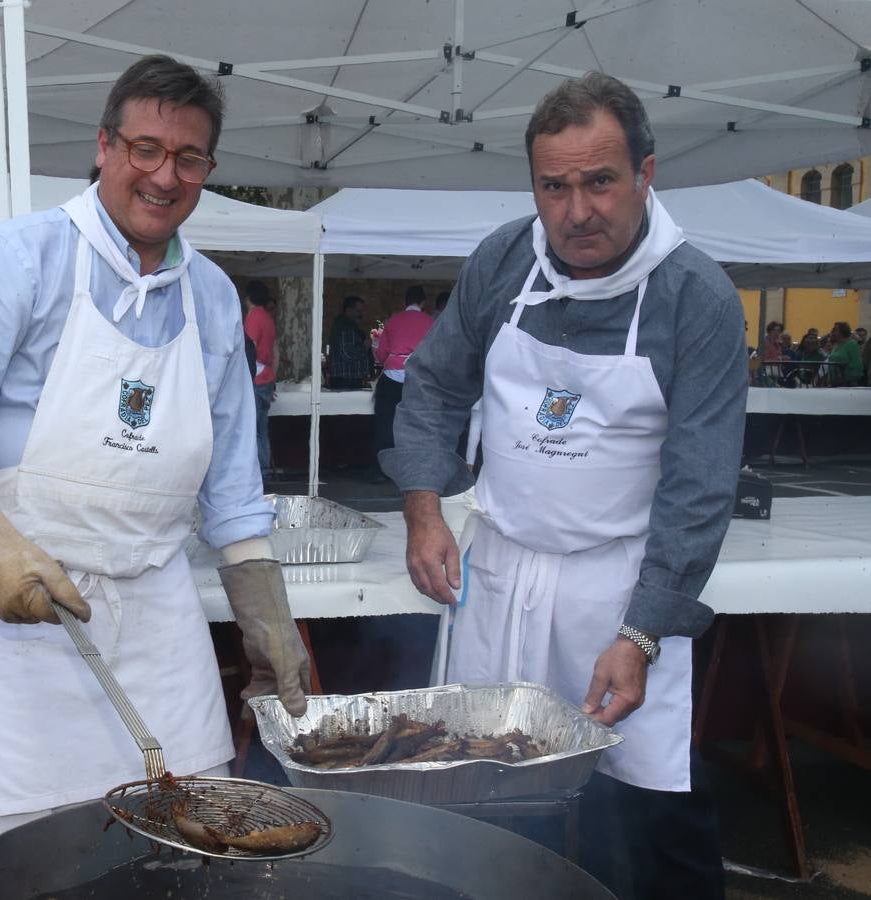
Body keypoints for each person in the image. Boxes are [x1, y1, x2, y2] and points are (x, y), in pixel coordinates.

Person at [0, 54, 311, 867]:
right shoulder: (17, 261)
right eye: (145, 149)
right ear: (105, 147)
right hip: (10, 623)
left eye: (189, 158)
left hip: (154, 621)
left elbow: (232, 487)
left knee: (188, 856)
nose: (163, 175)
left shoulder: (214, 297)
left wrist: (267, 618)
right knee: (22, 867)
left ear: (208, 170)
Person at [383, 72, 745, 899]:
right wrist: (423, 509)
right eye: (555, 186)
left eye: (600, 181)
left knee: (647, 809)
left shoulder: (697, 298)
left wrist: (644, 633)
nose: (577, 212)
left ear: (647, 173)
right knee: (484, 796)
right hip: (502, 572)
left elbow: (699, 486)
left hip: (619, 591)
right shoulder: (505, 260)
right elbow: (435, 387)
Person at [372, 284, 436, 480]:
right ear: (423, 302)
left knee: (385, 422)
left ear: (404, 301)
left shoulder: (393, 321)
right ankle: (418, 471)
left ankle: (382, 471)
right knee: (419, 424)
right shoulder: (430, 322)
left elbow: (382, 354)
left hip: (393, 375)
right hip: (419, 376)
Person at [243, 279, 279, 478]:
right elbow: (276, 351)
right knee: (262, 430)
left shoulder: (254, 317)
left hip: (255, 378)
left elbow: (250, 348)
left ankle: (255, 473)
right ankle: (264, 470)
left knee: (251, 429)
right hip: (266, 378)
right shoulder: (268, 318)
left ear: (248, 298)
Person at [327, 295, 371, 389]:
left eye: (362, 311)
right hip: (346, 380)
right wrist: (365, 346)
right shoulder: (345, 328)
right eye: (358, 311)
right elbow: (347, 354)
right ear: (348, 310)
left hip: (346, 378)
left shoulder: (347, 326)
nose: (361, 314)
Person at [826, 321, 865, 385]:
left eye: (834, 330)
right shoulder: (835, 345)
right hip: (834, 384)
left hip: (848, 384)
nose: (831, 332)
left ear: (842, 332)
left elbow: (857, 366)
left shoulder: (852, 344)